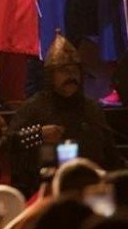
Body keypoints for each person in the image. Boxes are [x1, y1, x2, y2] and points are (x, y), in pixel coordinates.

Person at [6, 35, 121, 195]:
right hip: (47, 192)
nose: (71, 76)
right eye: (63, 70)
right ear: (50, 75)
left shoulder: (91, 108)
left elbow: (111, 155)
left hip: (92, 190)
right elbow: (8, 143)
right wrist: (38, 135)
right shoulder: (34, 107)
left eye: (74, 70)